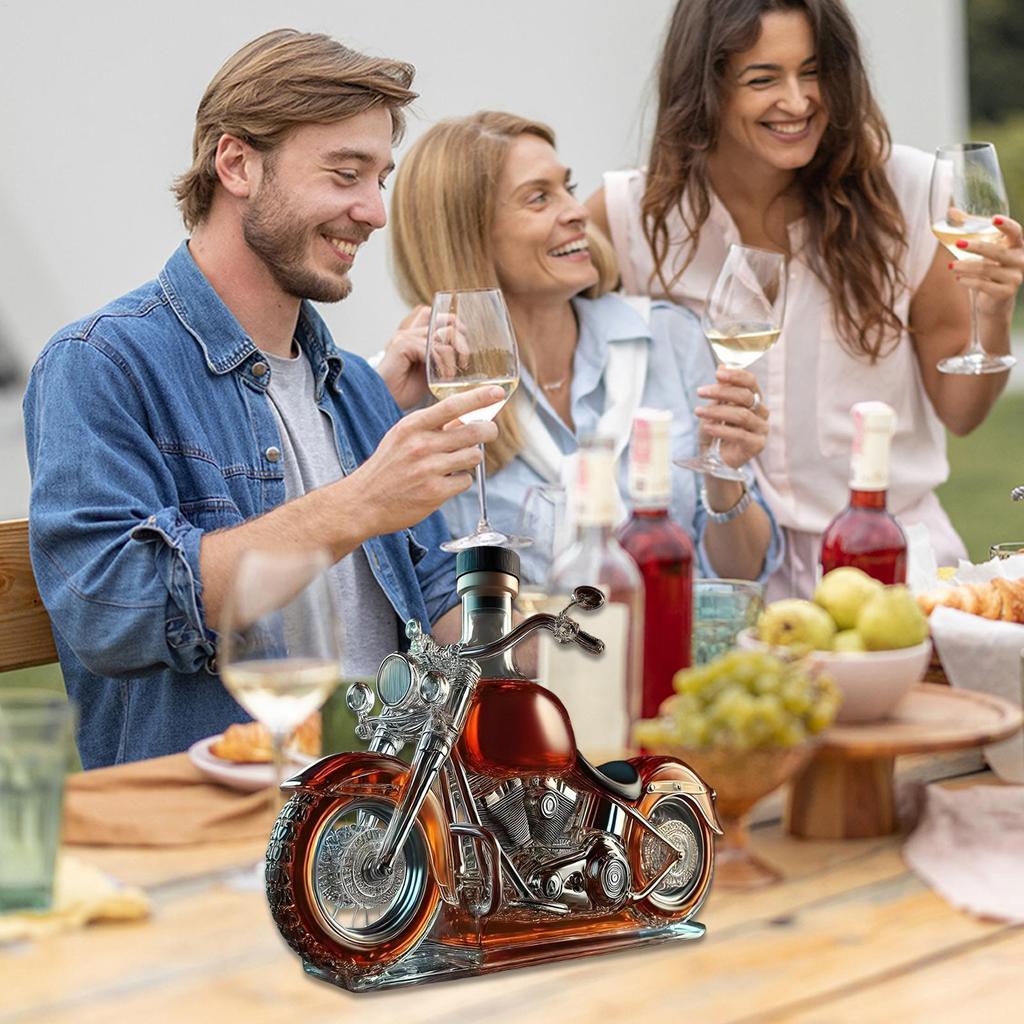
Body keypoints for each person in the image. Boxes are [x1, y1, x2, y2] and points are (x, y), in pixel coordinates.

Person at [22, 30, 503, 769]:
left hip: (394, 824)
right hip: (221, 827)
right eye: (346, 174)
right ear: (237, 163)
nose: (375, 211)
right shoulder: (101, 364)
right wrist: (357, 505)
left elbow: (443, 603)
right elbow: (111, 611)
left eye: (380, 178)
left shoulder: (352, 384)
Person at [586, 0, 1024, 600]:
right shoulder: (633, 216)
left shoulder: (912, 191)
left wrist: (994, 312)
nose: (797, 102)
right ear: (706, 87)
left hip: (893, 562)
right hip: (727, 578)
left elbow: (962, 413)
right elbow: (529, 321)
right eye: (762, 78)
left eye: (814, 72)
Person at [381, 111, 783, 585]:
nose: (576, 211)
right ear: (467, 234)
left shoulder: (670, 338)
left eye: (567, 189)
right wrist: (380, 395)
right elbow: (419, 595)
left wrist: (725, 475)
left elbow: (742, 575)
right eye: (538, 198)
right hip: (523, 659)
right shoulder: (424, 391)